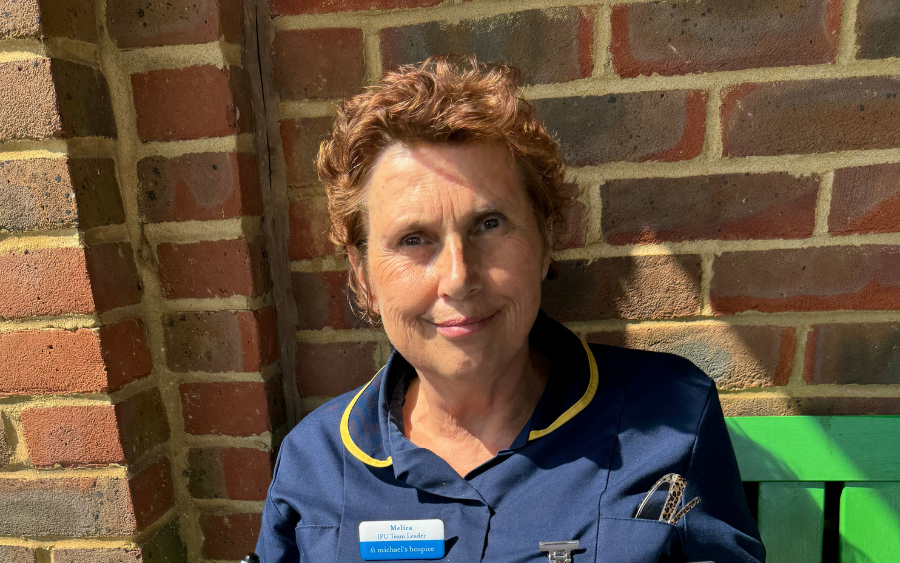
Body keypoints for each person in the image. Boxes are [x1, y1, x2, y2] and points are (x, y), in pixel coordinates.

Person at [256, 56, 765, 563]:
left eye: (490, 225)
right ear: (363, 274)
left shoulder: (670, 415)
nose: (458, 278)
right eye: (414, 239)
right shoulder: (314, 464)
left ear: (546, 240)